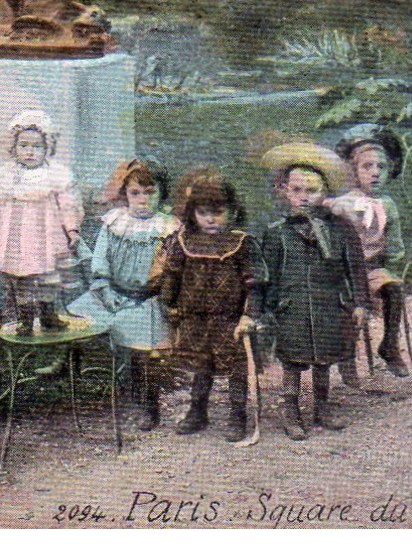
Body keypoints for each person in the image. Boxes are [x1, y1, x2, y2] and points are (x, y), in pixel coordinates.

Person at [257, 143, 369, 441]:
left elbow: (355, 267)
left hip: (329, 303)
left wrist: (360, 302)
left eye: (312, 190)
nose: (304, 197)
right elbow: (266, 275)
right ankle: (291, 411)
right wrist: (264, 311)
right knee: (292, 361)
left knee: (324, 359)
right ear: (284, 191)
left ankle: (322, 407)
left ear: (325, 192)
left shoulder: (340, 228)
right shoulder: (277, 231)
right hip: (291, 306)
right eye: (297, 190)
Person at [151, 167, 262, 442]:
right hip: (194, 319)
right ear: (192, 213)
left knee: (237, 368)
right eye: (203, 213)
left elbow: (255, 283)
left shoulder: (241, 243)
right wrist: (169, 304)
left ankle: (238, 416)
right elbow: (173, 275)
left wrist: (249, 315)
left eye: (218, 211)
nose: (210, 219)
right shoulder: (183, 242)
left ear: (233, 210)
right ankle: (197, 411)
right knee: (201, 367)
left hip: (230, 319)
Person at [66, 159, 177, 431]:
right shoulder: (115, 222)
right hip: (114, 295)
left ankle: (148, 406)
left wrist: (165, 293)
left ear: (161, 194)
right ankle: (94, 389)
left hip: (147, 299)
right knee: (75, 324)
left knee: (145, 356)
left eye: (150, 193)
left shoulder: (167, 227)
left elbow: (173, 267)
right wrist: (103, 288)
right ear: (125, 195)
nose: (142, 200)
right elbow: (100, 260)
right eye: (135, 193)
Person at [0, 109, 83, 334]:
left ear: (47, 149)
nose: (29, 152)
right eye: (23, 145)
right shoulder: (4, 175)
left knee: (49, 277)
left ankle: (48, 314)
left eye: (37, 147)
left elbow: (68, 204)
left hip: (46, 235)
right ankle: (25, 319)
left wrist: (72, 229)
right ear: (13, 147)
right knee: (21, 277)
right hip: (15, 236)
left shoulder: (55, 175)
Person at [327, 126, 411, 379]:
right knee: (348, 306)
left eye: (381, 167)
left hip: (372, 269)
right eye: (367, 167)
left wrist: (390, 257)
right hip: (344, 273)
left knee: (393, 289)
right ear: (354, 171)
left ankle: (389, 345)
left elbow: (394, 245)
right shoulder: (343, 204)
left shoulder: (388, 205)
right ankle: (346, 356)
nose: (375, 173)